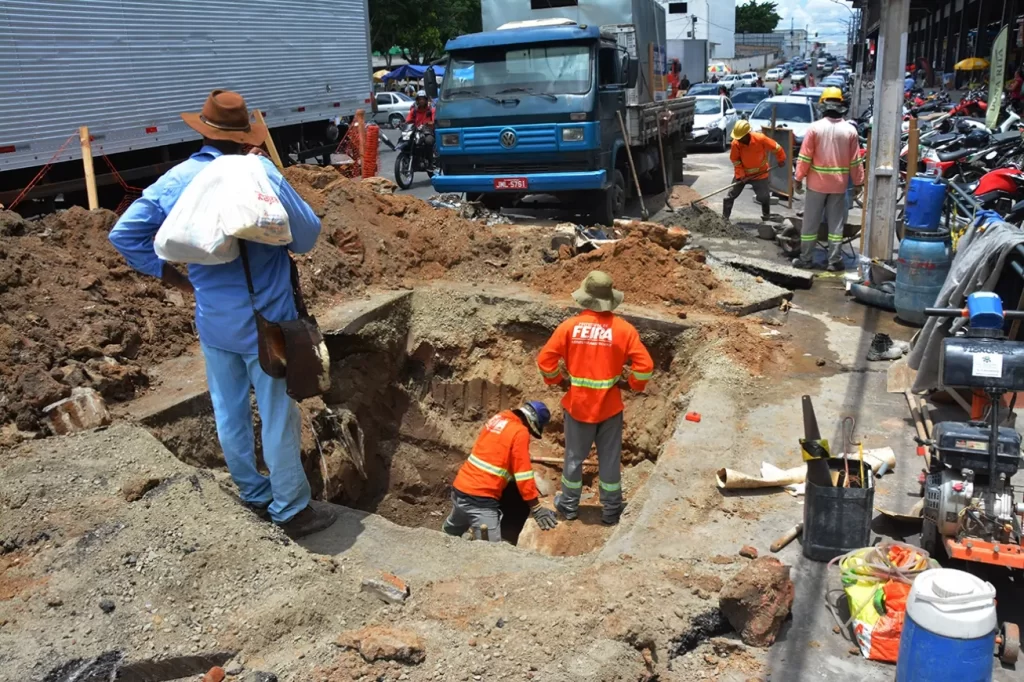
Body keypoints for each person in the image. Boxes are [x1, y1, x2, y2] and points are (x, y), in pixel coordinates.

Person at [108, 90, 335, 539]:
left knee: (229, 412)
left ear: (204, 131)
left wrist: (179, 281)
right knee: (277, 415)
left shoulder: (178, 179)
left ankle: (253, 495)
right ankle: (292, 510)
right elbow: (307, 236)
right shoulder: (261, 173)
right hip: (268, 325)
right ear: (245, 136)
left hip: (214, 322)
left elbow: (124, 234)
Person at [536, 271, 654, 526]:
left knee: (574, 459)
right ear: (610, 299)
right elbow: (645, 366)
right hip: (610, 407)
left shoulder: (569, 327)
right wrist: (631, 383)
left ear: (585, 298)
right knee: (609, 460)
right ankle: (611, 511)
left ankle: (568, 507)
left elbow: (545, 361)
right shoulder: (624, 330)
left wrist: (558, 380)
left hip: (578, 406)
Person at [443, 402, 559, 541]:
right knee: (493, 552)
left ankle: (443, 544)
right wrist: (536, 508)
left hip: (460, 489)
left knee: (449, 534)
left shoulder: (500, 417)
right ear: (531, 423)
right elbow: (523, 475)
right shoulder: (520, 432)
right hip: (481, 500)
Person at [793, 87, 865, 272]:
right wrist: (858, 182)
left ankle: (806, 258)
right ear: (841, 105)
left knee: (810, 223)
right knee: (836, 225)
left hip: (816, 185)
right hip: (839, 185)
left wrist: (798, 178)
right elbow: (855, 160)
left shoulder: (815, 128)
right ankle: (834, 261)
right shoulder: (850, 131)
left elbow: (805, 157)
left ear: (823, 105)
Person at [723, 119, 787, 222]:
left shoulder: (760, 139)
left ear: (747, 134)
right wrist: (741, 174)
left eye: (740, 138)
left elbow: (777, 147)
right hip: (743, 174)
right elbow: (735, 160)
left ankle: (766, 219)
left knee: (764, 197)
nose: (738, 140)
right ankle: (724, 220)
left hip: (760, 174)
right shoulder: (736, 144)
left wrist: (781, 159)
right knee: (730, 196)